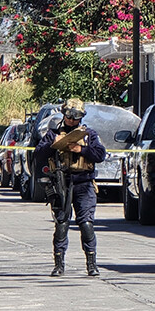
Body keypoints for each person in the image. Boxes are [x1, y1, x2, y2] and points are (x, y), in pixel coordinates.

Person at [34, 98, 106, 277]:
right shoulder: (52, 134)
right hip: (61, 184)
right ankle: (59, 265)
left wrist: (80, 150)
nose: (72, 121)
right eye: (69, 117)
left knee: (86, 223)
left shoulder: (89, 135)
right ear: (64, 114)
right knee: (61, 223)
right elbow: (38, 154)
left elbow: (100, 154)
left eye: (76, 117)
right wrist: (54, 143)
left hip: (84, 184)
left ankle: (91, 264)